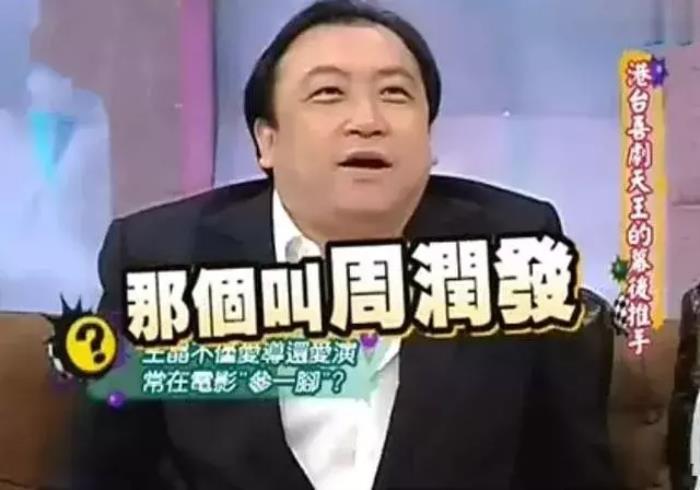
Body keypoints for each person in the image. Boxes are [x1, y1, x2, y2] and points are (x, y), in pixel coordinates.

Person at [72, 1, 615, 488]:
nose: (367, 121)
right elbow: (106, 474)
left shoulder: (514, 248)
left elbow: (571, 471)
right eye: (328, 93)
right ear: (267, 140)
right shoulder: (162, 260)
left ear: (429, 138)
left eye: (395, 94)